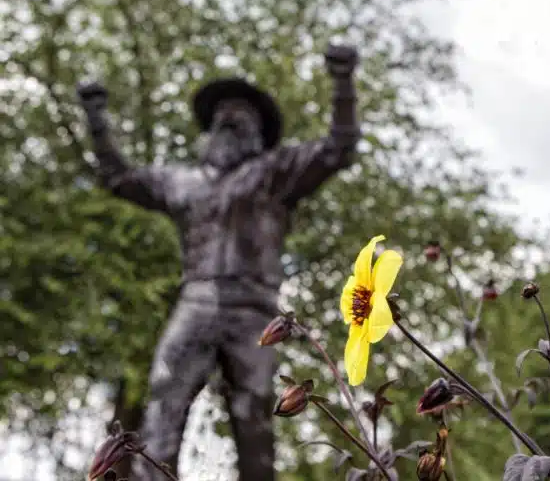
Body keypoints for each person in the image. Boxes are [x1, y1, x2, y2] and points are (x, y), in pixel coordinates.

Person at [76, 44, 361, 480]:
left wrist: (342, 83)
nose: (229, 117)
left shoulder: (275, 173)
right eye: (221, 113)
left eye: (241, 113)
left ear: (259, 130)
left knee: (255, 421)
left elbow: (338, 148)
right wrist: (96, 118)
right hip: (196, 303)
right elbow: (119, 177)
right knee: (163, 407)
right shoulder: (182, 183)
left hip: (255, 310)